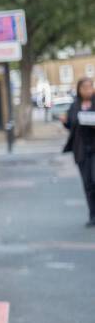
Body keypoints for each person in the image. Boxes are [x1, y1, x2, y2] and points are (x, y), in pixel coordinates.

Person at [60, 76, 95, 225]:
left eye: (90, 87)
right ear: (79, 90)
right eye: (84, 87)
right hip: (81, 149)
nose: (87, 90)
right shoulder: (74, 105)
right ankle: (92, 215)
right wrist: (65, 122)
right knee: (87, 184)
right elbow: (71, 125)